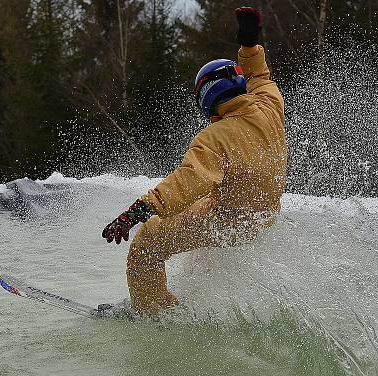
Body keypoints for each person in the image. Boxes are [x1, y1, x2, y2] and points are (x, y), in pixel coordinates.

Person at [101, 7, 287, 315]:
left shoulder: (215, 139)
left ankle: (154, 314)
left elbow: (186, 183)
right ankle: (192, 302)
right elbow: (259, 74)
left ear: (207, 100)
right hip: (263, 216)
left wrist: (135, 213)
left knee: (145, 246)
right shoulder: (269, 106)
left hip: (226, 220)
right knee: (192, 225)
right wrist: (250, 44)